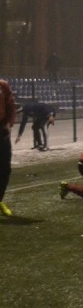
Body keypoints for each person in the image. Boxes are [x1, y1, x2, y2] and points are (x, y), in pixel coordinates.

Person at [0, 78, 16, 217]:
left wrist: (8, 123)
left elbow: (10, 106)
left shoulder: (2, 85)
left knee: (5, 168)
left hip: (1, 130)